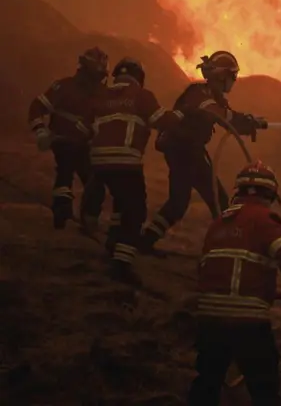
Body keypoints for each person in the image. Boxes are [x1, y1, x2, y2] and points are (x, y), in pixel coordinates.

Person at [188, 161, 281, 406]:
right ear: (270, 194)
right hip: (247, 322)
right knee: (264, 386)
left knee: (208, 381)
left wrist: (269, 292)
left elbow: (218, 269)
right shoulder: (265, 219)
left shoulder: (219, 222)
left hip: (209, 317)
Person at [142, 51, 266, 253]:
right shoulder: (199, 94)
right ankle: (227, 248)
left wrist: (250, 122)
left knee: (180, 201)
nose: (233, 81)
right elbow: (222, 117)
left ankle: (146, 240)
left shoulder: (212, 96)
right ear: (221, 76)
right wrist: (248, 122)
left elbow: (228, 118)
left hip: (187, 151)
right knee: (218, 202)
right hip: (184, 151)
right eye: (232, 76)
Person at [87, 57, 183, 285]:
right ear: (139, 77)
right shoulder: (141, 95)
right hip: (126, 161)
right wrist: (180, 115)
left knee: (121, 203)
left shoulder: (101, 95)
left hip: (98, 161)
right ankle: (121, 265)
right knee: (135, 211)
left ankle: (112, 244)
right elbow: (162, 121)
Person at [28, 47, 109, 228]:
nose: (98, 81)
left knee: (94, 184)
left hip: (85, 145)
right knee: (65, 170)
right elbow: (37, 107)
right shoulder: (63, 87)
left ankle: (89, 220)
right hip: (62, 140)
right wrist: (41, 131)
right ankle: (61, 210)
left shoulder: (104, 94)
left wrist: (96, 130)